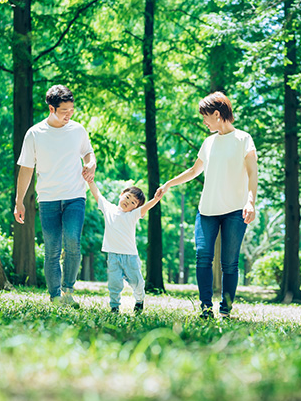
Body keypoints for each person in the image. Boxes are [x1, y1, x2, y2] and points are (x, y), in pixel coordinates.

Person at [157, 91, 258, 319]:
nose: (203, 121)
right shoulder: (209, 142)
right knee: (203, 256)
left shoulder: (244, 139)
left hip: (235, 209)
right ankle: (205, 308)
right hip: (207, 210)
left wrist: (250, 202)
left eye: (205, 116)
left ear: (217, 113)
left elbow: (253, 173)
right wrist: (168, 184)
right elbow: (194, 171)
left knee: (229, 263)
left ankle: (225, 309)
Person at [14, 85, 96, 307]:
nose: (69, 115)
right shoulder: (34, 134)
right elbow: (26, 169)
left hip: (74, 196)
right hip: (48, 199)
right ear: (51, 108)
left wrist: (90, 164)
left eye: (72, 110)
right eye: (64, 111)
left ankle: (68, 290)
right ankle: (55, 296)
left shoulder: (77, 130)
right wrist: (19, 201)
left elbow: (88, 153)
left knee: (73, 241)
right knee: (51, 250)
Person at [88, 181, 162, 314]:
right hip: (113, 256)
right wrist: (90, 181)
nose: (128, 202)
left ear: (135, 208)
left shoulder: (132, 215)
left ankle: (139, 301)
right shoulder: (108, 209)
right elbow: (97, 194)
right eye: (127, 197)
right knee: (114, 284)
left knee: (137, 283)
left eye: (133, 202)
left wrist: (156, 199)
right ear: (121, 194)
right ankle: (114, 307)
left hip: (130, 257)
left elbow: (146, 208)